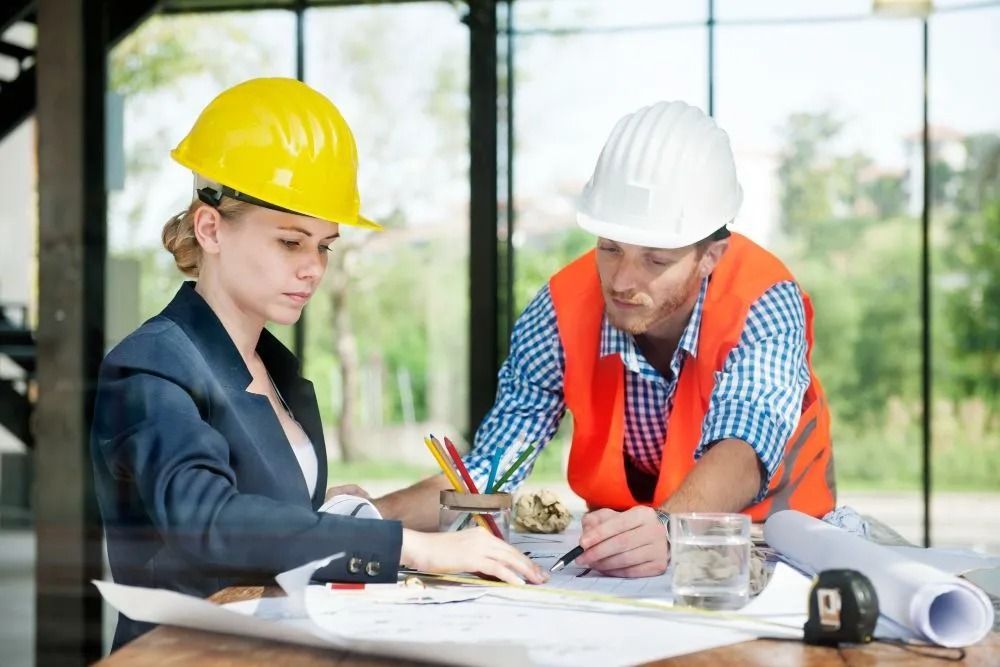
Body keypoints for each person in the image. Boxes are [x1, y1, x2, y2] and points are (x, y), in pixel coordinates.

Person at [91, 78, 544, 649]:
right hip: (192, 657)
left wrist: (346, 512)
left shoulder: (276, 370)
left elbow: (277, 523)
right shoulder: (150, 366)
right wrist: (410, 545)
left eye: (324, 246)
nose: (313, 268)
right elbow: (207, 521)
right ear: (211, 229)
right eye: (290, 242)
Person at [375, 100, 835, 577]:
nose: (621, 280)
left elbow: (743, 447)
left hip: (776, 551)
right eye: (610, 249)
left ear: (710, 255)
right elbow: (490, 470)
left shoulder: (764, 299)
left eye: (655, 260)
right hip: (620, 564)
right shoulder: (559, 309)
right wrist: (372, 518)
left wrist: (667, 528)